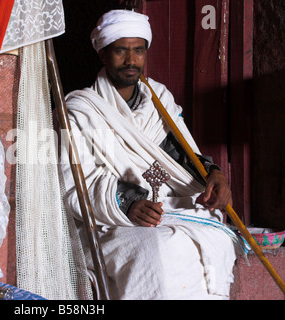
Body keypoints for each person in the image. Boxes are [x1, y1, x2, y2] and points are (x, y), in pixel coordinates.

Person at [61, 10, 248, 300]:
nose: (130, 60)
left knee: (215, 240)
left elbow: (185, 154)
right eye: (120, 50)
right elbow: (75, 184)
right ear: (102, 54)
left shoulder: (159, 98)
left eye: (138, 51)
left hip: (171, 208)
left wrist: (214, 174)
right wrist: (130, 204)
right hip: (113, 219)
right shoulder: (80, 110)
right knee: (158, 251)